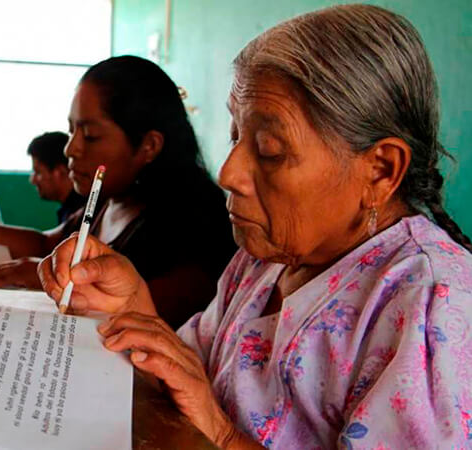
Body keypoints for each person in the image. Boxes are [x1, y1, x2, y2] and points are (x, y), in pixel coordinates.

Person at [39, 5, 472, 448]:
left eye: (268, 150)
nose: (228, 173)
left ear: (380, 169)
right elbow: (189, 381)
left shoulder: (429, 308)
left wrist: (223, 435)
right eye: (234, 136)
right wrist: (133, 310)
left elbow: (206, 412)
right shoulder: (261, 260)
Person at [0, 56, 238, 330]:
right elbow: (48, 245)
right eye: (71, 130)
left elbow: (143, 313)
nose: (71, 149)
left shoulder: (196, 220)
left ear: (148, 145)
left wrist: (43, 276)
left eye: (89, 136)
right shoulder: (114, 198)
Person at [27, 131, 85, 224]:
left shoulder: (83, 214)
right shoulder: (68, 210)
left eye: (38, 172)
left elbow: (46, 239)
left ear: (59, 171)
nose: (32, 180)